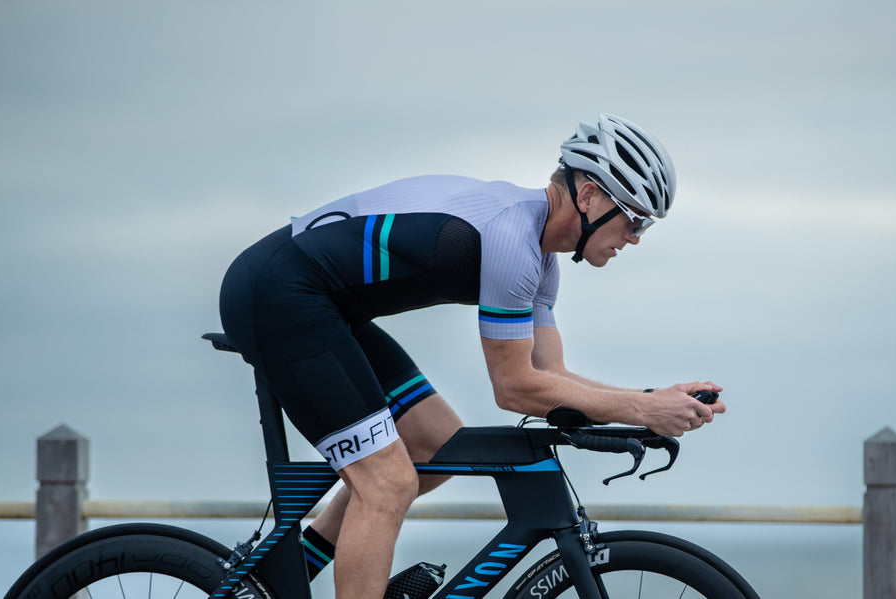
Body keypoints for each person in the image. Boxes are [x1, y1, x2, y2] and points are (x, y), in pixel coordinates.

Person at [217, 113, 725, 599]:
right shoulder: (510, 239)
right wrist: (643, 411)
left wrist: (653, 400)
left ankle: (285, 574)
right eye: (635, 219)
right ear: (589, 195)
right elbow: (516, 389)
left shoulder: (541, 260)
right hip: (276, 296)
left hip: (319, 303)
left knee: (436, 450)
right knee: (387, 483)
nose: (635, 237)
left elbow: (552, 375)